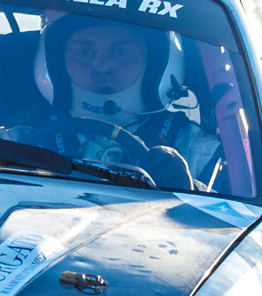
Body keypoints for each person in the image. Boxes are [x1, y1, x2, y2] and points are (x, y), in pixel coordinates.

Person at [11, 15, 227, 190]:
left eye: (122, 52)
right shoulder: (18, 144)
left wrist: (191, 190)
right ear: (55, 64)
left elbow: (232, 217)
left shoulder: (201, 153)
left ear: (156, 64)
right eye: (85, 52)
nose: (102, 66)